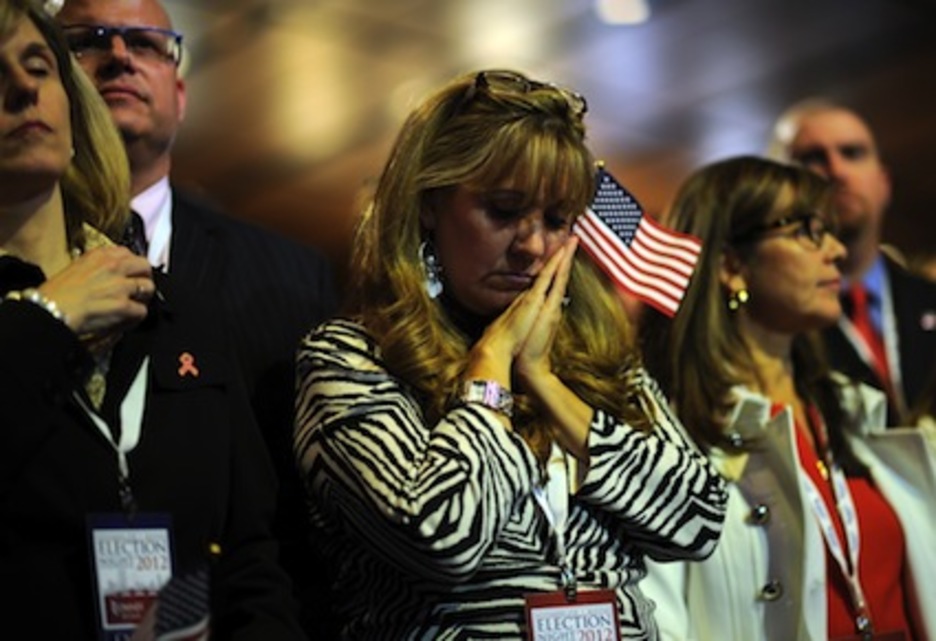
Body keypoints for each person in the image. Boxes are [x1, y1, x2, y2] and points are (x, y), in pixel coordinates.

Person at [293, 68, 728, 639]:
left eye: (555, 220)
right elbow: (439, 536)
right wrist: (492, 366)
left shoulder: (597, 358)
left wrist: (543, 381)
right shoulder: (350, 359)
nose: (532, 246)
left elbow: (697, 522)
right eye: (502, 210)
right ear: (429, 204)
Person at [0, 1, 307, 638]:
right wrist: (51, 320)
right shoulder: (43, 321)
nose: (22, 86)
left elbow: (249, 554)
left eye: (37, 65)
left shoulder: (176, 310)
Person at [637, 156, 936, 640]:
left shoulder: (853, 410)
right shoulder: (665, 435)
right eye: (807, 230)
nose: (836, 250)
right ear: (731, 265)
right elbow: (658, 622)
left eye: (832, 231)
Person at [768, 98, 936, 426]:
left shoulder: (929, 298)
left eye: (852, 153)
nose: (836, 170)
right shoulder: (770, 327)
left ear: (883, 182)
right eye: (812, 158)